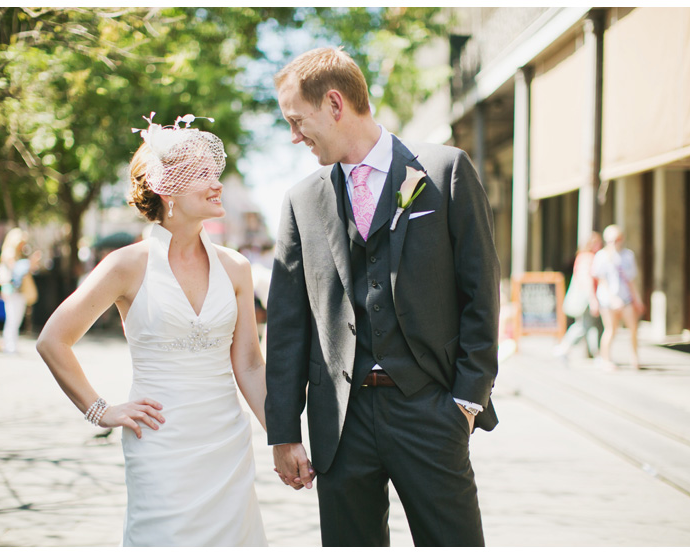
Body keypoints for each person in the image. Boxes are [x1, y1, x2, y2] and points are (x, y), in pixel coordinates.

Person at [265, 47, 500, 547]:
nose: (293, 136)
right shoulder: (301, 200)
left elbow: (481, 291)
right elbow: (288, 325)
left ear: (334, 103)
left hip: (431, 410)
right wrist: (283, 432)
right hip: (340, 424)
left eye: (296, 120)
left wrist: (466, 401)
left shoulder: (445, 171)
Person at [36, 114, 267, 547]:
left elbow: (251, 364)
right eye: (202, 174)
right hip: (160, 444)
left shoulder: (235, 267)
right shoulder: (126, 265)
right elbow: (53, 340)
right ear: (168, 190)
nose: (216, 183)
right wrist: (100, 410)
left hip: (226, 445)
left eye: (214, 172)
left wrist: (285, 437)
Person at [591, 224, 642, 371]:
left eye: (616, 239)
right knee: (611, 330)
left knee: (633, 328)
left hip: (626, 298)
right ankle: (605, 359)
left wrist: (637, 299)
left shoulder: (628, 255)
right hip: (607, 300)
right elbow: (601, 280)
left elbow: (631, 280)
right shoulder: (601, 256)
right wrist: (613, 299)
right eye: (610, 240)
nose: (614, 243)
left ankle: (634, 358)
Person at [553, 232, 603, 361]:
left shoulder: (583, 257)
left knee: (590, 325)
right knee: (584, 325)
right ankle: (565, 347)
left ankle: (596, 354)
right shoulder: (588, 258)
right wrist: (593, 299)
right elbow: (586, 280)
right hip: (586, 296)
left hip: (586, 295)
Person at [0, 228, 41, 354]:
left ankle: (11, 344)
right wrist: (29, 263)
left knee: (15, 319)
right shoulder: (9, 253)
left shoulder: (17, 254)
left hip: (18, 290)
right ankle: (9, 345)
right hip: (12, 290)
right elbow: (16, 270)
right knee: (12, 318)